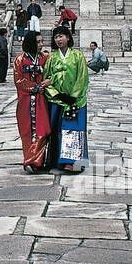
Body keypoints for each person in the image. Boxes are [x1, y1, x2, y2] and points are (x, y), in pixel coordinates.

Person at [44, 25, 89, 173]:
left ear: (68, 37)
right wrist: (57, 95)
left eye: (61, 36)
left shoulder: (78, 56)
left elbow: (82, 78)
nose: (58, 39)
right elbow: (46, 80)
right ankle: (58, 160)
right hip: (57, 101)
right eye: (56, 37)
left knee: (74, 130)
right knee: (57, 130)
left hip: (75, 101)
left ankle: (73, 161)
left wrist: (72, 97)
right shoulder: (52, 58)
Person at [14, 33, 54, 172]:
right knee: (27, 131)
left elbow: (52, 73)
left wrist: (48, 81)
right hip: (25, 101)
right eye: (38, 42)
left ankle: (36, 160)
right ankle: (30, 160)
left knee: (43, 130)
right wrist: (36, 87)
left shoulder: (46, 58)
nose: (41, 44)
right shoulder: (19, 60)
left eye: (42, 41)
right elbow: (19, 80)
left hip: (42, 100)